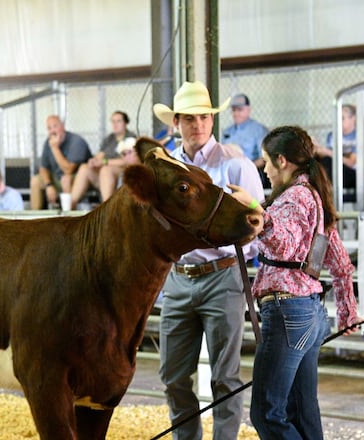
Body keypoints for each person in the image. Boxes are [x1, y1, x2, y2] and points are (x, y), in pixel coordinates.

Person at [228, 125, 361, 439]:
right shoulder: (313, 195)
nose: (265, 171)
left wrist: (255, 209)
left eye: (266, 162)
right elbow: (340, 261)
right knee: (300, 410)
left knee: (267, 412)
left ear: (282, 160)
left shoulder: (294, 197)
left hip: (288, 312)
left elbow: (284, 243)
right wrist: (347, 310)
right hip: (308, 312)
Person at [152, 80, 265, 440]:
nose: (197, 124)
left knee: (225, 377)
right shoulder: (165, 167)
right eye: (189, 118)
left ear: (213, 120)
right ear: (176, 123)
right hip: (179, 275)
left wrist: (235, 254)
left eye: (203, 117)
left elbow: (257, 221)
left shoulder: (235, 164)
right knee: (172, 376)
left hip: (222, 275)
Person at [69, 111, 136, 206]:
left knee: (106, 169)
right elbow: (100, 155)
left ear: (125, 123)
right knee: (84, 168)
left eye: (118, 121)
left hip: (122, 175)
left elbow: (127, 161)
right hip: (105, 177)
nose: (115, 124)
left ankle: (106, 207)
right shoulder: (109, 139)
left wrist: (105, 162)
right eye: (113, 121)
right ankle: (70, 205)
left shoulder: (131, 138)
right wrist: (93, 161)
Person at [28, 115, 91, 209]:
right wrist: (49, 185)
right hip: (57, 178)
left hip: (78, 180)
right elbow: (43, 168)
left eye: (55, 126)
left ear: (63, 126)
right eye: (49, 128)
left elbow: (68, 170)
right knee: (35, 180)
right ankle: (35, 216)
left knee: (66, 179)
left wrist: (55, 148)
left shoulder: (76, 141)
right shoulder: (48, 142)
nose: (52, 131)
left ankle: (68, 214)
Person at [313, 104, 364, 199]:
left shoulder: (361, 136)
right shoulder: (332, 136)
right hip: (335, 170)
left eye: (342, 118)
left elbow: (352, 162)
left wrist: (328, 152)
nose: (338, 122)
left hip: (354, 174)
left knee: (327, 162)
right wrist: (317, 149)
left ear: (353, 118)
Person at [222, 93, 269, 169]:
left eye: (240, 110)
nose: (236, 113)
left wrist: (247, 169)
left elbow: (264, 158)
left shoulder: (259, 130)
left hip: (252, 171)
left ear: (249, 110)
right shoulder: (227, 131)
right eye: (234, 110)